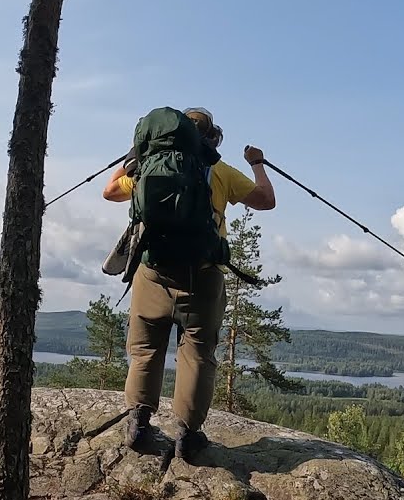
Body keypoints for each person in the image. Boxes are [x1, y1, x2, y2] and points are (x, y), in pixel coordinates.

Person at [102, 107, 276, 462]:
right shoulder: (221, 172)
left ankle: (138, 422)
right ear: (210, 138)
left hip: (151, 273)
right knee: (196, 354)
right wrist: (258, 162)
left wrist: (135, 155)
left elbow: (109, 192)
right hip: (202, 275)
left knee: (145, 349)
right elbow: (266, 200)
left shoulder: (146, 169)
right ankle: (188, 435)